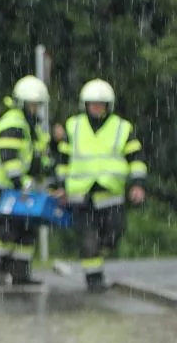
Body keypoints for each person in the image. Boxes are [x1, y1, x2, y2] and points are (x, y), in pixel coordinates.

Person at [55, 78, 146, 292]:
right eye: (92, 104)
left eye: (101, 104)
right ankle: (94, 280)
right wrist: (61, 186)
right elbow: (62, 160)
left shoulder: (122, 128)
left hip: (110, 195)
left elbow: (137, 158)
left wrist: (138, 184)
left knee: (114, 234)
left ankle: (97, 256)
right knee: (88, 240)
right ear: (85, 105)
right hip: (81, 196)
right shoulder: (73, 126)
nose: (96, 108)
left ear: (108, 105)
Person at [0, 76, 53, 286]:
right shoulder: (13, 123)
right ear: (22, 103)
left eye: (38, 105)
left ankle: (21, 273)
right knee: (7, 230)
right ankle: (0, 268)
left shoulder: (32, 126)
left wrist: (49, 172)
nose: (35, 109)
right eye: (33, 105)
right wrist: (19, 181)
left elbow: (39, 157)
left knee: (27, 231)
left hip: (22, 187)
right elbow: (9, 157)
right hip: (6, 187)